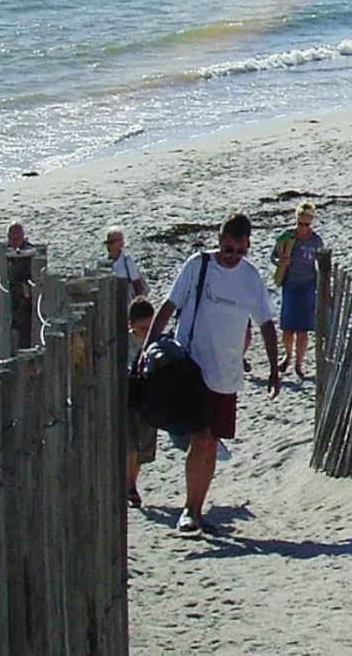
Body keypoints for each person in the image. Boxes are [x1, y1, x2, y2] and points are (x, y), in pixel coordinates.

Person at [147, 213, 279, 537]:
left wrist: (275, 368)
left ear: (248, 247)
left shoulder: (251, 278)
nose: (232, 256)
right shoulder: (198, 265)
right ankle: (189, 511)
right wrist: (149, 346)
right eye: (228, 248)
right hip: (191, 366)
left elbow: (265, 323)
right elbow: (168, 305)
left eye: (239, 251)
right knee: (201, 437)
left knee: (211, 442)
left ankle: (198, 508)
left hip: (227, 372)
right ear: (219, 241)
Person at [271, 203, 325, 380]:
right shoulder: (287, 237)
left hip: (308, 284)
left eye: (306, 224)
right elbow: (273, 256)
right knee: (288, 328)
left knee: (303, 329)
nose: (303, 228)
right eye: (300, 223)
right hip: (290, 283)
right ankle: (288, 355)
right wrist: (281, 261)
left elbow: (322, 261)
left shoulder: (315, 240)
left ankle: (299, 364)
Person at [126, 298, 158, 509]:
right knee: (129, 442)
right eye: (142, 328)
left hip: (147, 396)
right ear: (131, 325)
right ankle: (129, 486)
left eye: (149, 326)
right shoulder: (124, 342)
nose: (147, 332)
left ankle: (132, 483)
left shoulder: (155, 341)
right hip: (128, 395)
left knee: (143, 444)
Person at [106, 225, 149, 301]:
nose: (109, 245)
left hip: (126, 304)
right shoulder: (103, 263)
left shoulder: (127, 261)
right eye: (107, 242)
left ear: (121, 243)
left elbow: (137, 285)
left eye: (112, 242)